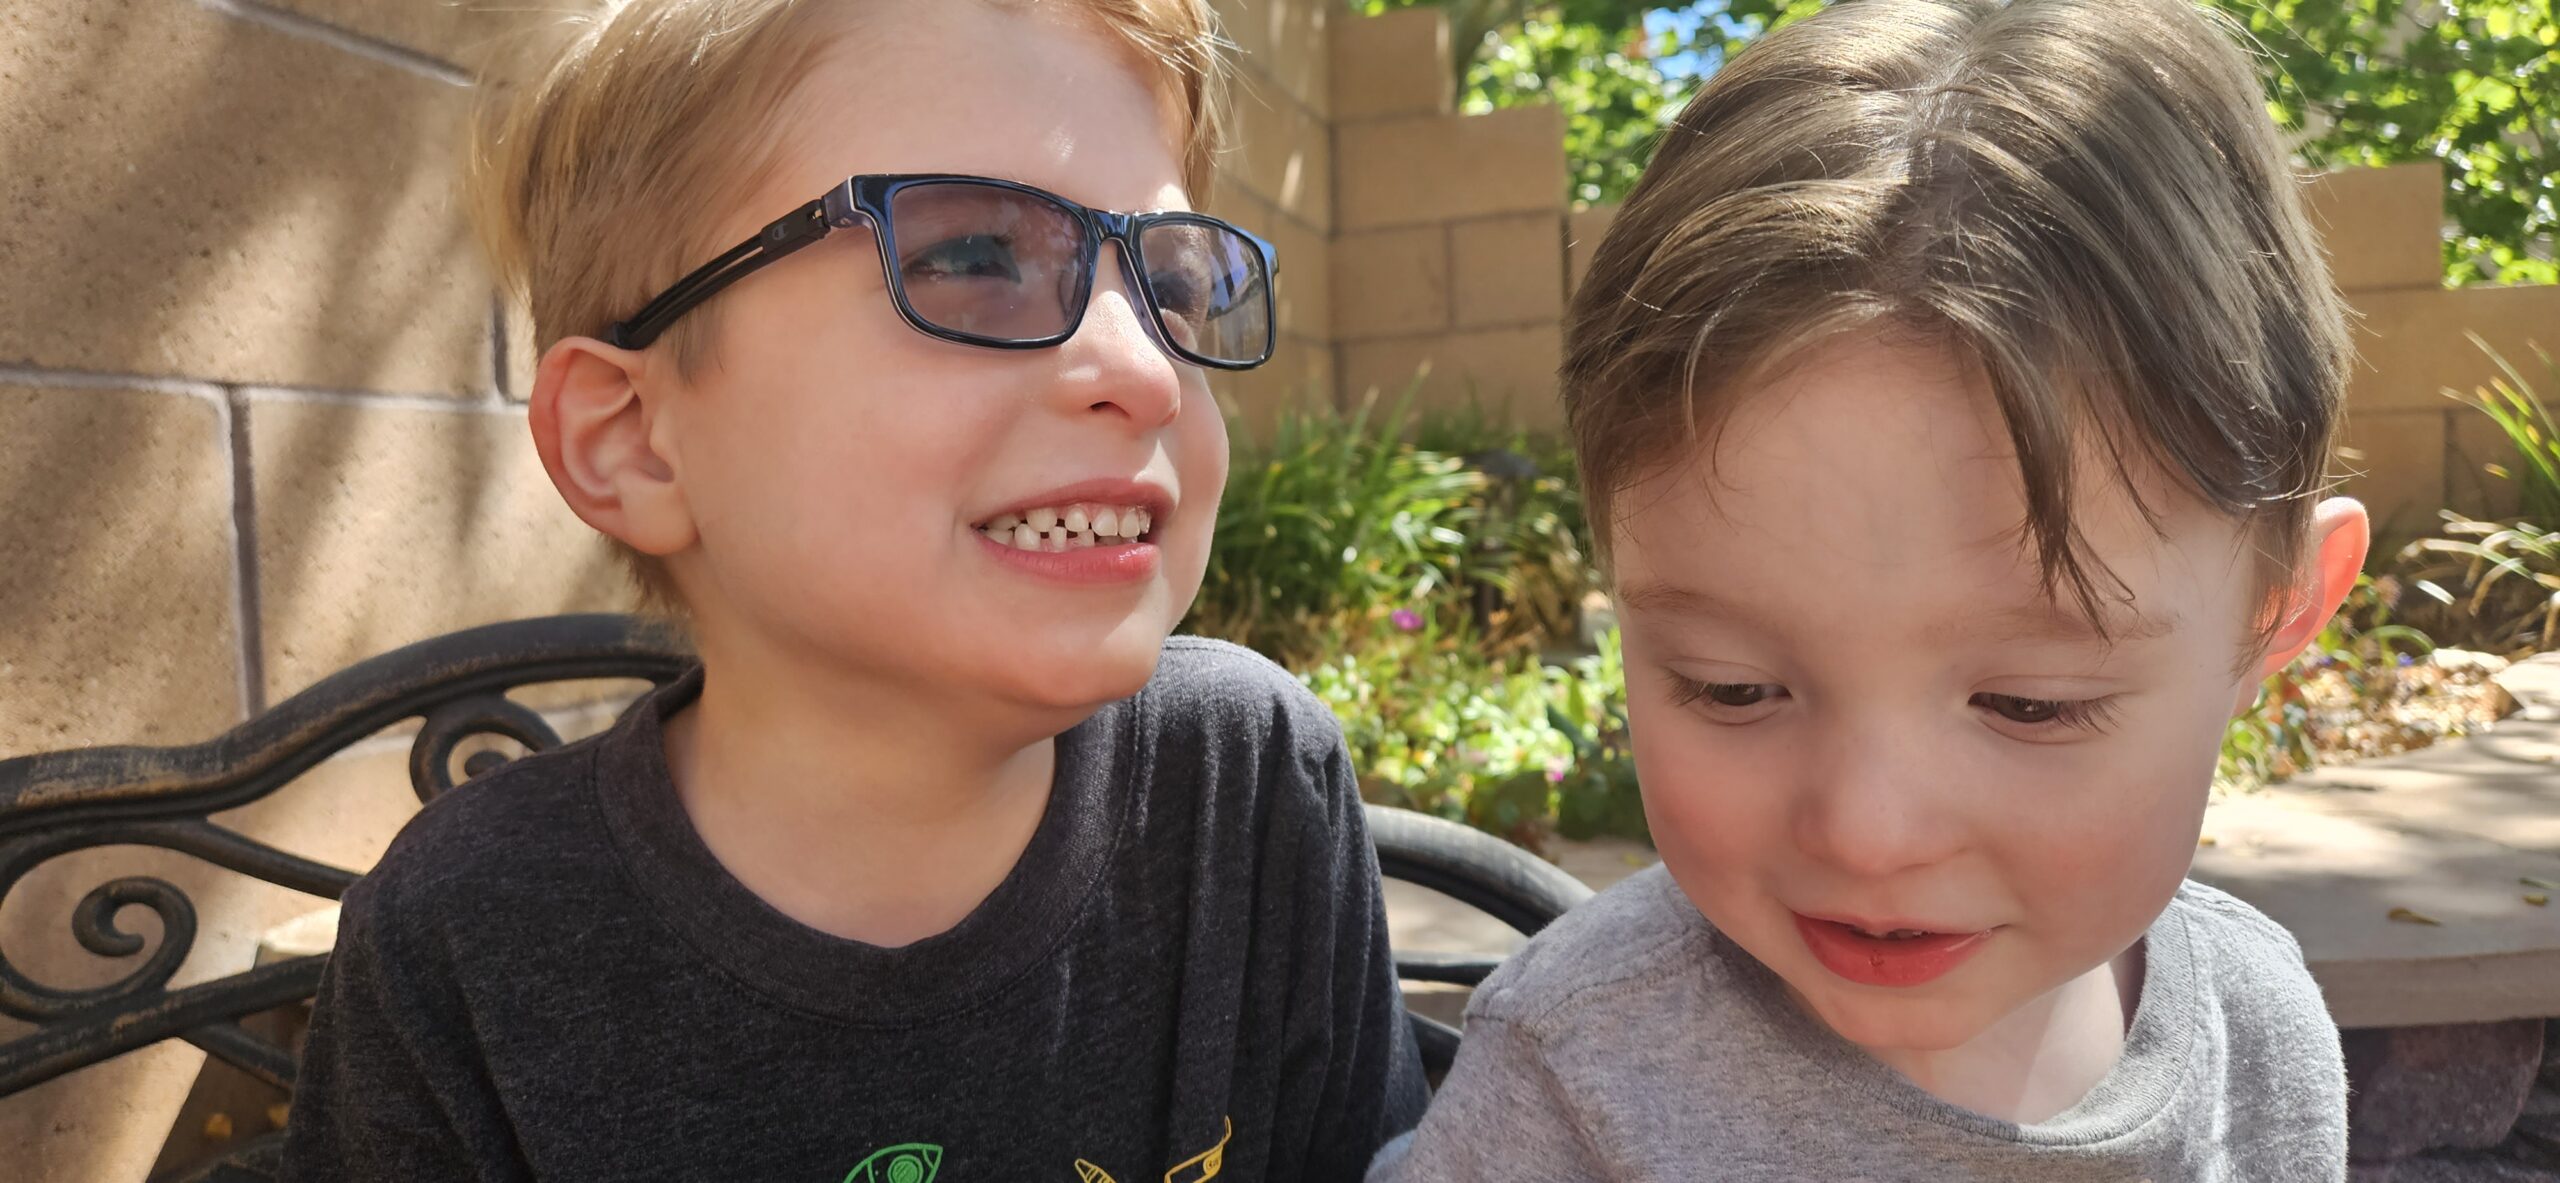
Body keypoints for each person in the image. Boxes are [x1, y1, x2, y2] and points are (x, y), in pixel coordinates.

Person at [281, 2, 1425, 1178]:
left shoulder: (1244, 785)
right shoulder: (470, 935)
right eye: (974, 257)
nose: (1144, 370)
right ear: (635, 441)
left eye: (1174, 286)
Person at [1372, 0, 2361, 1177]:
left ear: (2274, 614)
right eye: (1731, 688)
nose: (1867, 831)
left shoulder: (2261, 1034)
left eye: (2029, 703)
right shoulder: (1578, 1076)